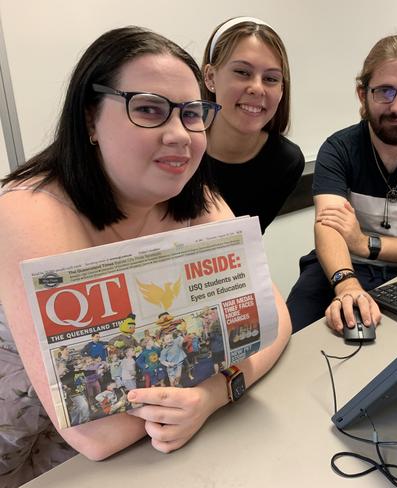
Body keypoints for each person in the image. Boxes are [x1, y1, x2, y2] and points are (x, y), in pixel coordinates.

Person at [0, 26, 291, 487]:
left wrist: (215, 393)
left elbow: (271, 316)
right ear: (90, 119)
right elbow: (96, 429)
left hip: (141, 451)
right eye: (150, 109)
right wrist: (208, 384)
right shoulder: (27, 207)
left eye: (193, 114)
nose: (180, 134)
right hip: (17, 431)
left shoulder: (196, 197)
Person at [286, 34, 397, 334]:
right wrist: (346, 285)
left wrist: (366, 243)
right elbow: (328, 226)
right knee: (290, 339)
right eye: (384, 91)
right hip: (340, 267)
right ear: (362, 94)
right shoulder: (338, 149)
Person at [201, 17, 305, 233]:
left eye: (271, 78)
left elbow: (244, 243)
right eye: (242, 72)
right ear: (210, 77)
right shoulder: (178, 145)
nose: (257, 88)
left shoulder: (286, 162)